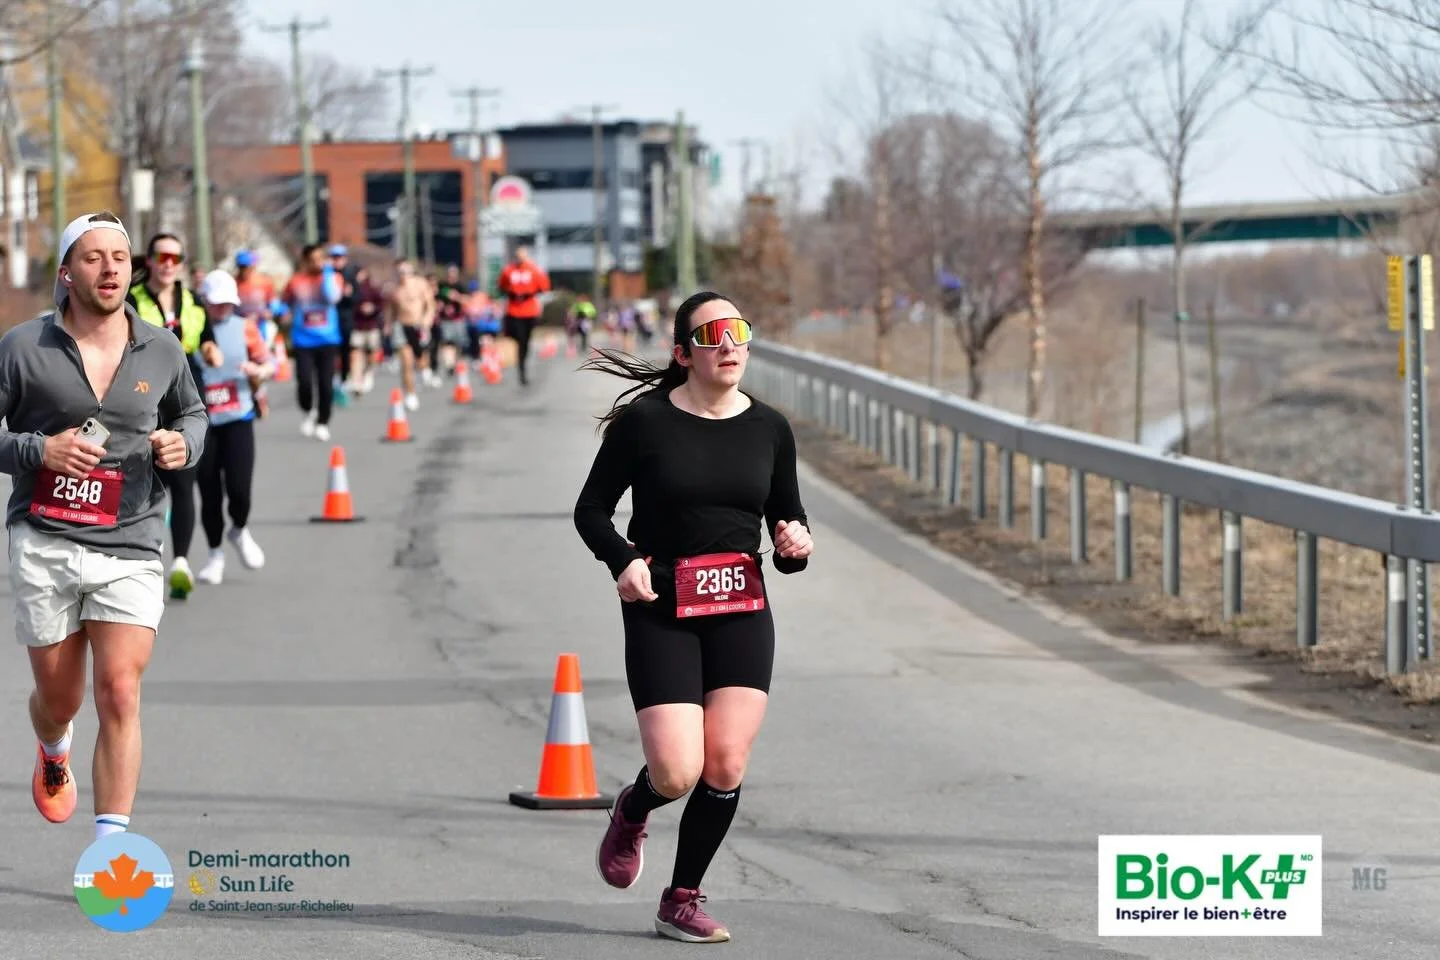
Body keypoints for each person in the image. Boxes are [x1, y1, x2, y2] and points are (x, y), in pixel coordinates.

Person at [573, 291, 814, 943]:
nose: (730, 343)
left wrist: (796, 544)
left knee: (726, 762)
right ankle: (635, 806)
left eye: (739, 329)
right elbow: (591, 510)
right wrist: (622, 560)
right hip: (662, 606)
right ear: (683, 353)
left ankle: (681, 898)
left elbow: (787, 523)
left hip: (741, 606)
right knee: (678, 772)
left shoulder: (770, 428)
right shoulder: (646, 424)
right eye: (713, 334)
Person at [0, 211, 206, 840]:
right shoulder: (21, 348)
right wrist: (42, 451)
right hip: (46, 538)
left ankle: (110, 848)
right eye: (93, 257)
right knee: (61, 698)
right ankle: (54, 745)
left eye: (119, 257)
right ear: (67, 272)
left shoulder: (162, 347)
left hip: (133, 536)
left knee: (119, 690)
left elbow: (193, 413)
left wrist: (182, 445)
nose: (111, 268)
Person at [126, 232, 219, 600]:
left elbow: (207, 338)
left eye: (175, 258)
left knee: (183, 482)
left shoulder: (194, 301)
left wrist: (212, 351)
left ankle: (180, 562)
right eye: (162, 256)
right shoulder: (130, 300)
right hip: (142, 399)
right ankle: (138, 558)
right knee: (141, 481)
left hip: (185, 400)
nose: (168, 264)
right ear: (149, 260)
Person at [193, 270, 272, 585]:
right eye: (216, 304)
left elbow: (270, 363)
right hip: (202, 422)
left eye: (227, 304)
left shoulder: (246, 328)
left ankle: (239, 529)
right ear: (206, 302)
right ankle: (215, 555)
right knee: (209, 492)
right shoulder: (194, 328)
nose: (222, 310)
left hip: (239, 417)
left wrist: (258, 370)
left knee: (240, 488)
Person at [280, 243, 344, 441]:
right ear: (305, 261)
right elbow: (284, 303)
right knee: (305, 382)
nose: (317, 262)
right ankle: (308, 410)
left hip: (328, 339)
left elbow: (333, 297)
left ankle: (323, 421)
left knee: (326, 384)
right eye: (313, 259)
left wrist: (326, 272)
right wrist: (283, 313)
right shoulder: (296, 281)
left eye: (320, 258)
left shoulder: (333, 277)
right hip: (302, 340)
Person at [385, 258, 435, 411]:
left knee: (420, 357)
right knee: (406, 362)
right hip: (401, 325)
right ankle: (410, 393)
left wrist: (426, 322)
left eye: (405, 271)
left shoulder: (420, 284)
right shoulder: (394, 289)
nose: (403, 275)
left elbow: (430, 305)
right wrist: (388, 325)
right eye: (399, 272)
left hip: (418, 324)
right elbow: (391, 310)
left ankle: (424, 371)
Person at [497, 246, 551, 385]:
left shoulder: (534, 269)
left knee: (525, 340)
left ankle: (522, 365)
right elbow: (501, 285)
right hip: (513, 310)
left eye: (523, 256)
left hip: (529, 311)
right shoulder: (509, 270)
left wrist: (531, 292)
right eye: (518, 256)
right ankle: (519, 362)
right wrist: (510, 292)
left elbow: (544, 287)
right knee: (516, 337)